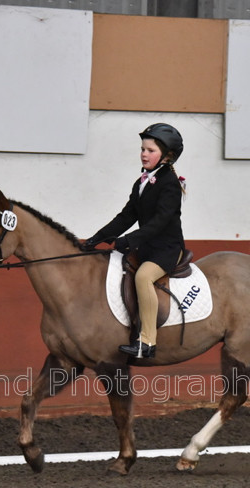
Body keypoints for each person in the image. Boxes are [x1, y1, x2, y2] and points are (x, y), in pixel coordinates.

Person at [84, 123, 186, 359]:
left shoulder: (169, 183)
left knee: (143, 277)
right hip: (147, 246)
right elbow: (127, 216)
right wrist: (97, 238)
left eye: (150, 150)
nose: (144, 154)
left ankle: (146, 343)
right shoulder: (141, 181)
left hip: (166, 250)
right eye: (142, 149)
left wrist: (128, 240)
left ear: (167, 156)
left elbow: (160, 222)